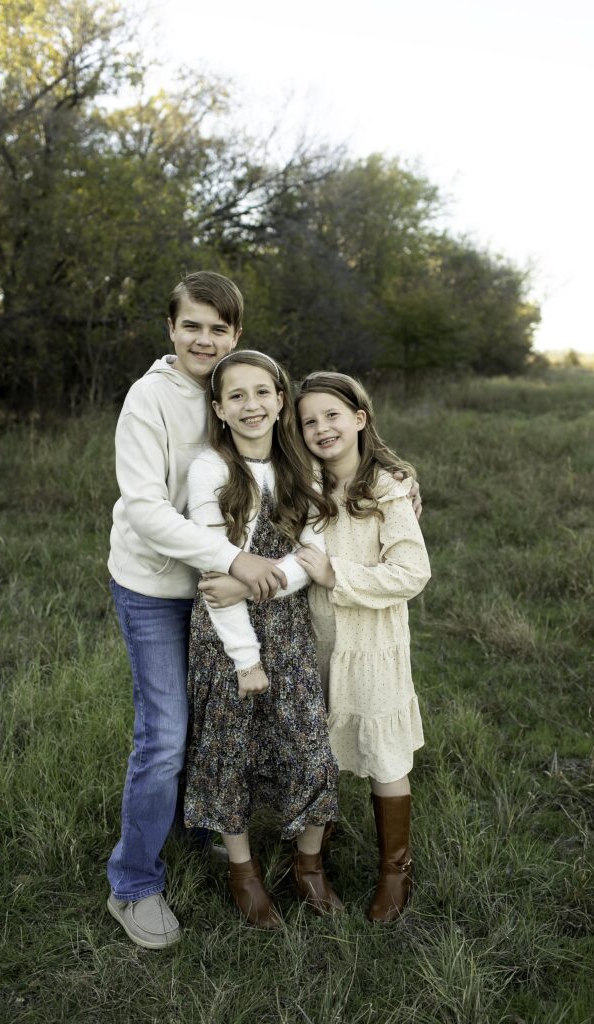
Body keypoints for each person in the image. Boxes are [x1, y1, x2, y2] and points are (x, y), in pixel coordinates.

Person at [106, 273, 292, 949]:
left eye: (218, 328)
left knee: (211, 722)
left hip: (218, 597)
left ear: (236, 335)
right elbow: (144, 508)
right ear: (171, 328)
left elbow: (317, 434)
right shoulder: (148, 400)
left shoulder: (240, 383)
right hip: (156, 587)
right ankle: (132, 883)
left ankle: (195, 823)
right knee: (162, 737)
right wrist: (234, 560)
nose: (204, 339)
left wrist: (394, 476)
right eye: (192, 326)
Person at [183, 350, 342, 928]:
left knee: (310, 747)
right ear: (220, 410)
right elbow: (211, 578)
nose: (251, 405)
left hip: (286, 624)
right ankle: (243, 871)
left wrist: (252, 587)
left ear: (281, 401)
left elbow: (315, 555)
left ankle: (309, 865)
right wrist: (244, 657)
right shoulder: (211, 469)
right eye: (236, 396)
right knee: (230, 751)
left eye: (262, 393)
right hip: (224, 634)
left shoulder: (304, 468)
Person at [294, 371, 431, 923]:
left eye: (333, 415)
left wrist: (337, 574)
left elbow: (411, 571)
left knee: (383, 755)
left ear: (360, 418)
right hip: (316, 642)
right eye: (309, 421)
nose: (322, 428)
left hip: (372, 646)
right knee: (317, 751)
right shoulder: (301, 485)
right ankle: (309, 862)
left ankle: (395, 870)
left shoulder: (386, 491)